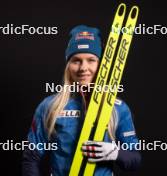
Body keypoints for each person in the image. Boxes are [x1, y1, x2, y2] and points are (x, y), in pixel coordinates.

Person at [22, 25, 141, 176]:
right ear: (68, 65)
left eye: (91, 60)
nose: (83, 68)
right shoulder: (50, 106)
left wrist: (115, 153)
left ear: (101, 65)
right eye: (76, 60)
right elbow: (31, 158)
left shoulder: (118, 108)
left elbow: (135, 160)